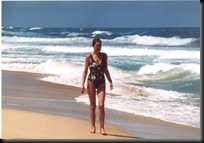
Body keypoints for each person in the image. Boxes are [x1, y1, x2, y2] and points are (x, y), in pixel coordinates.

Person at [80, 38, 113, 135]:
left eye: (100, 45)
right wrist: (82, 84)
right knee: (92, 106)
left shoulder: (104, 56)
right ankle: (93, 126)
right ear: (93, 46)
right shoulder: (89, 57)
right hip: (91, 81)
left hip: (101, 81)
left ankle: (102, 128)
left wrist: (110, 81)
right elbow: (85, 71)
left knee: (101, 105)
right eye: (97, 46)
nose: (99, 47)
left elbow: (106, 70)